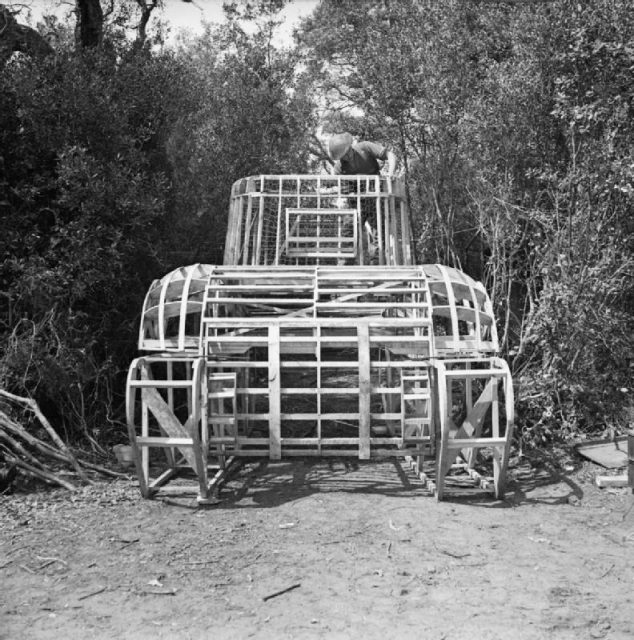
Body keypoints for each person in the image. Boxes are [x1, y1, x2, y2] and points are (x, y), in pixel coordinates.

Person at [327, 132, 397, 178]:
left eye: (347, 153)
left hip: (377, 189)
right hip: (355, 197)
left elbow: (390, 155)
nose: (346, 157)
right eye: (343, 156)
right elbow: (335, 184)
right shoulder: (339, 167)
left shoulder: (365, 147)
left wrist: (390, 173)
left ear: (350, 147)